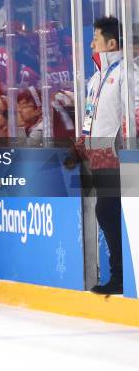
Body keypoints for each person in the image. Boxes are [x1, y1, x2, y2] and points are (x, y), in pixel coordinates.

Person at [66, 16, 136, 295]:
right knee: (106, 211)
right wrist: (82, 143)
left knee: (106, 210)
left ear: (111, 43)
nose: (91, 42)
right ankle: (120, 275)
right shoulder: (96, 77)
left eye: (96, 38)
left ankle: (120, 276)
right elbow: (92, 117)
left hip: (117, 157)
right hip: (98, 157)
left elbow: (135, 115)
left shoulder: (127, 73)